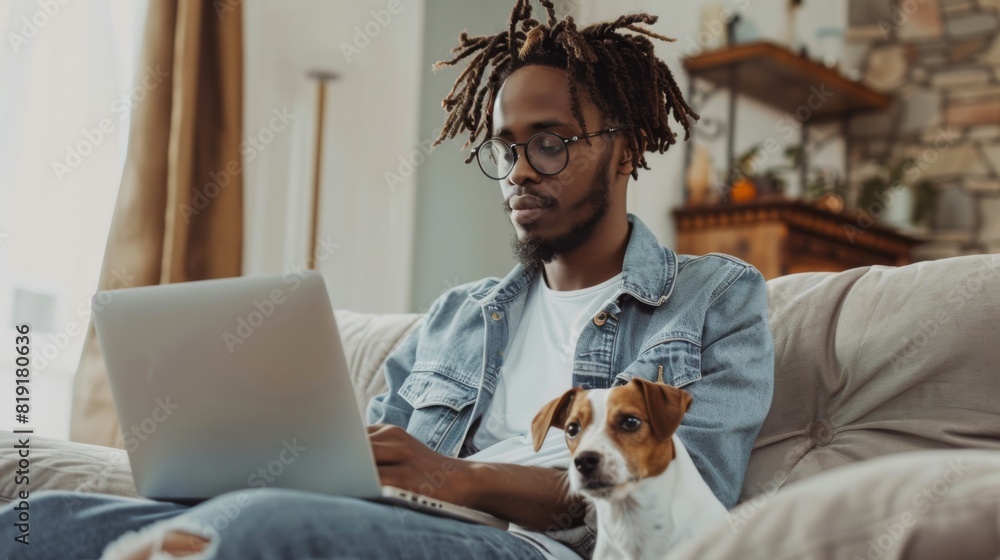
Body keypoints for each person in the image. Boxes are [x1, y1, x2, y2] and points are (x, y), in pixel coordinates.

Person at [0, 1, 773, 558]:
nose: (517, 173)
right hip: (398, 526)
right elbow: (363, 457)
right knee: (39, 520)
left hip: (545, 549)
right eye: (505, 148)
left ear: (627, 148)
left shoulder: (715, 297)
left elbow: (688, 478)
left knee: (258, 529)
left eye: (550, 143)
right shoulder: (456, 318)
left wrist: (459, 478)